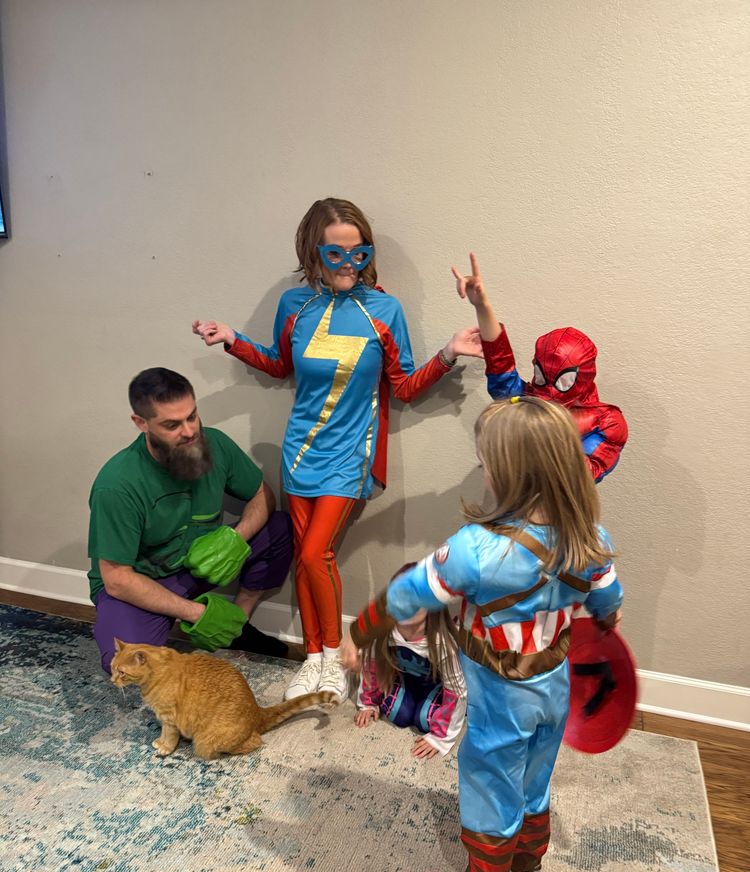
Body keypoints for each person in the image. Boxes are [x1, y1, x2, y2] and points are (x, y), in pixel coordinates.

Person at [341, 396, 623, 872]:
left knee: (490, 784)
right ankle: (528, 868)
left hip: (501, 696)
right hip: (554, 687)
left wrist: (360, 633)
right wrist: (607, 624)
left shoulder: (475, 549)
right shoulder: (593, 538)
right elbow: (609, 603)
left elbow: (407, 595)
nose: (483, 471)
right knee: (536, 774)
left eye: (486, 462)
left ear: (510, 474)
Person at [193, 197, 482, 703]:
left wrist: (448, 353)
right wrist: (233, 339)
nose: (350, 264)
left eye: (359, 252)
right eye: (335, 254)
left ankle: (333, 653)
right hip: (300, 451)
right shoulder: (294, 305)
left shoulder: (384, 310)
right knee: (308, 563)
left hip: (353, 454)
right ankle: (314, 659)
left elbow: (406, 386)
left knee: (313, 552)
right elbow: (280, 365)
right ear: (312, 254)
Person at [88, 368, 297, 674]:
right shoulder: (118, 485)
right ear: (141, 423)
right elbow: (117, 579)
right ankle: (199, 628)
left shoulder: (214, 444)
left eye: (192, 416)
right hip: (142, 582)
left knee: (279, 528)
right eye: (172, 425)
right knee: (125, 663)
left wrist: (235, 538)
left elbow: (261, 495)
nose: (188, 431)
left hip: (201, 564)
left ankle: (236, 626)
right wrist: (198, 614)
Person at [452, 253, 628, 482]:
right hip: (513, 507)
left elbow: (582, 477)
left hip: (562, 514)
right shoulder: (529, 401)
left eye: (563, 381)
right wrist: (483, 307)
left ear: (582, 377)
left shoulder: (605, 421)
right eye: (541, 375)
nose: (550, 391)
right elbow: (501, 369)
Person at [355, 566, 466, 759]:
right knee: (399, 715)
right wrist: (368, 703)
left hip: (436, 687)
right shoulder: (384, 630)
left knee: (424, 721)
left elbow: (457, 690)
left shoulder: (441, 642)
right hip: (406, 680)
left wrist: (441, 737)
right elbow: (371, 665)